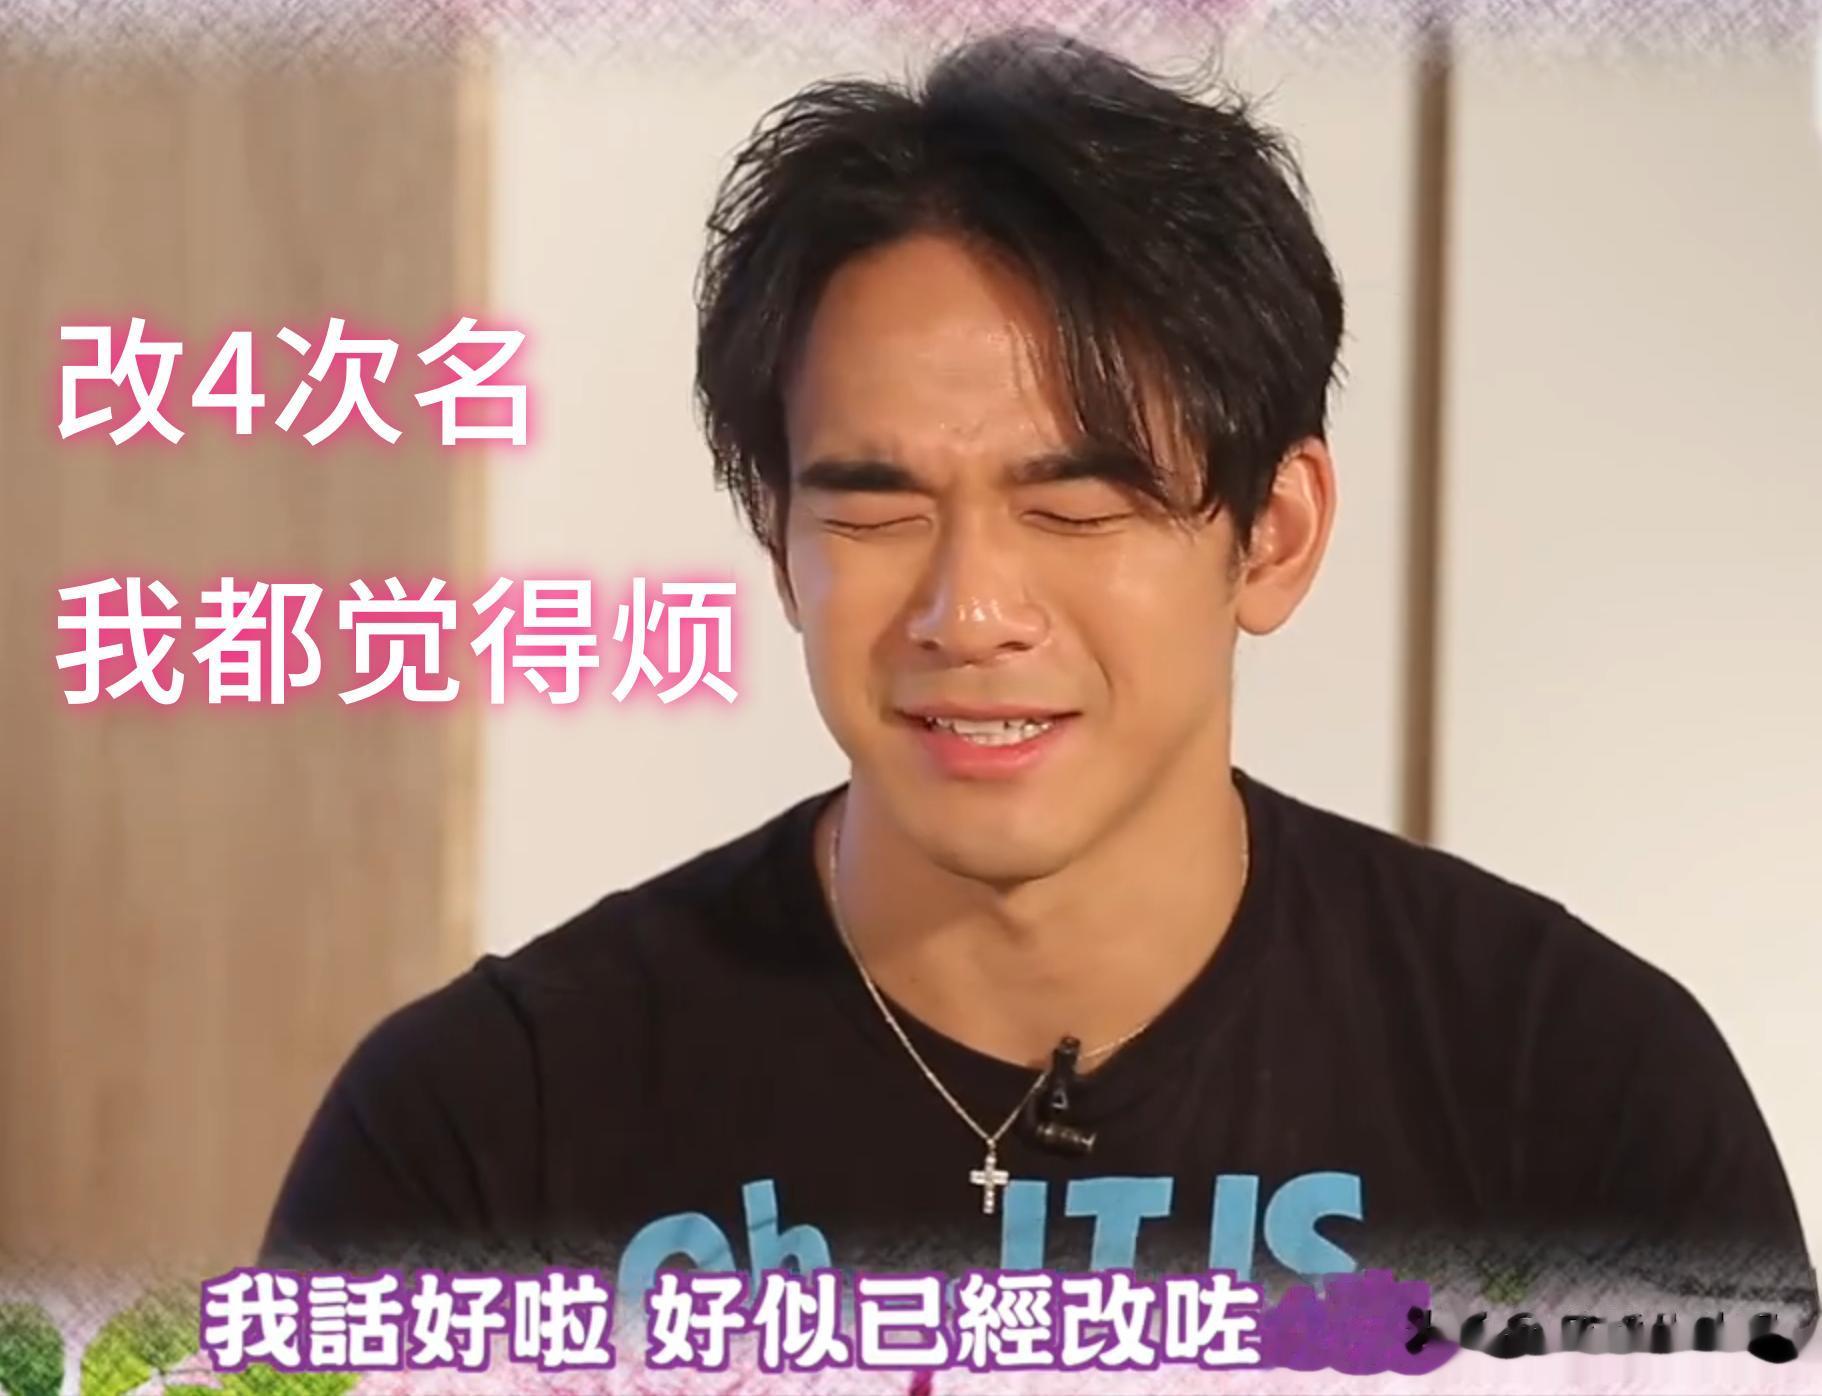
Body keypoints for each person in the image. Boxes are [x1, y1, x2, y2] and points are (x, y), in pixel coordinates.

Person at [264, 28, 1813, 1346]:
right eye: (873, 513)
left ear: (1272, 535)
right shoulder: (487, 1131)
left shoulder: (1572, 1095)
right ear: (777, 539)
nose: (970, 612)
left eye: (1074, 509)